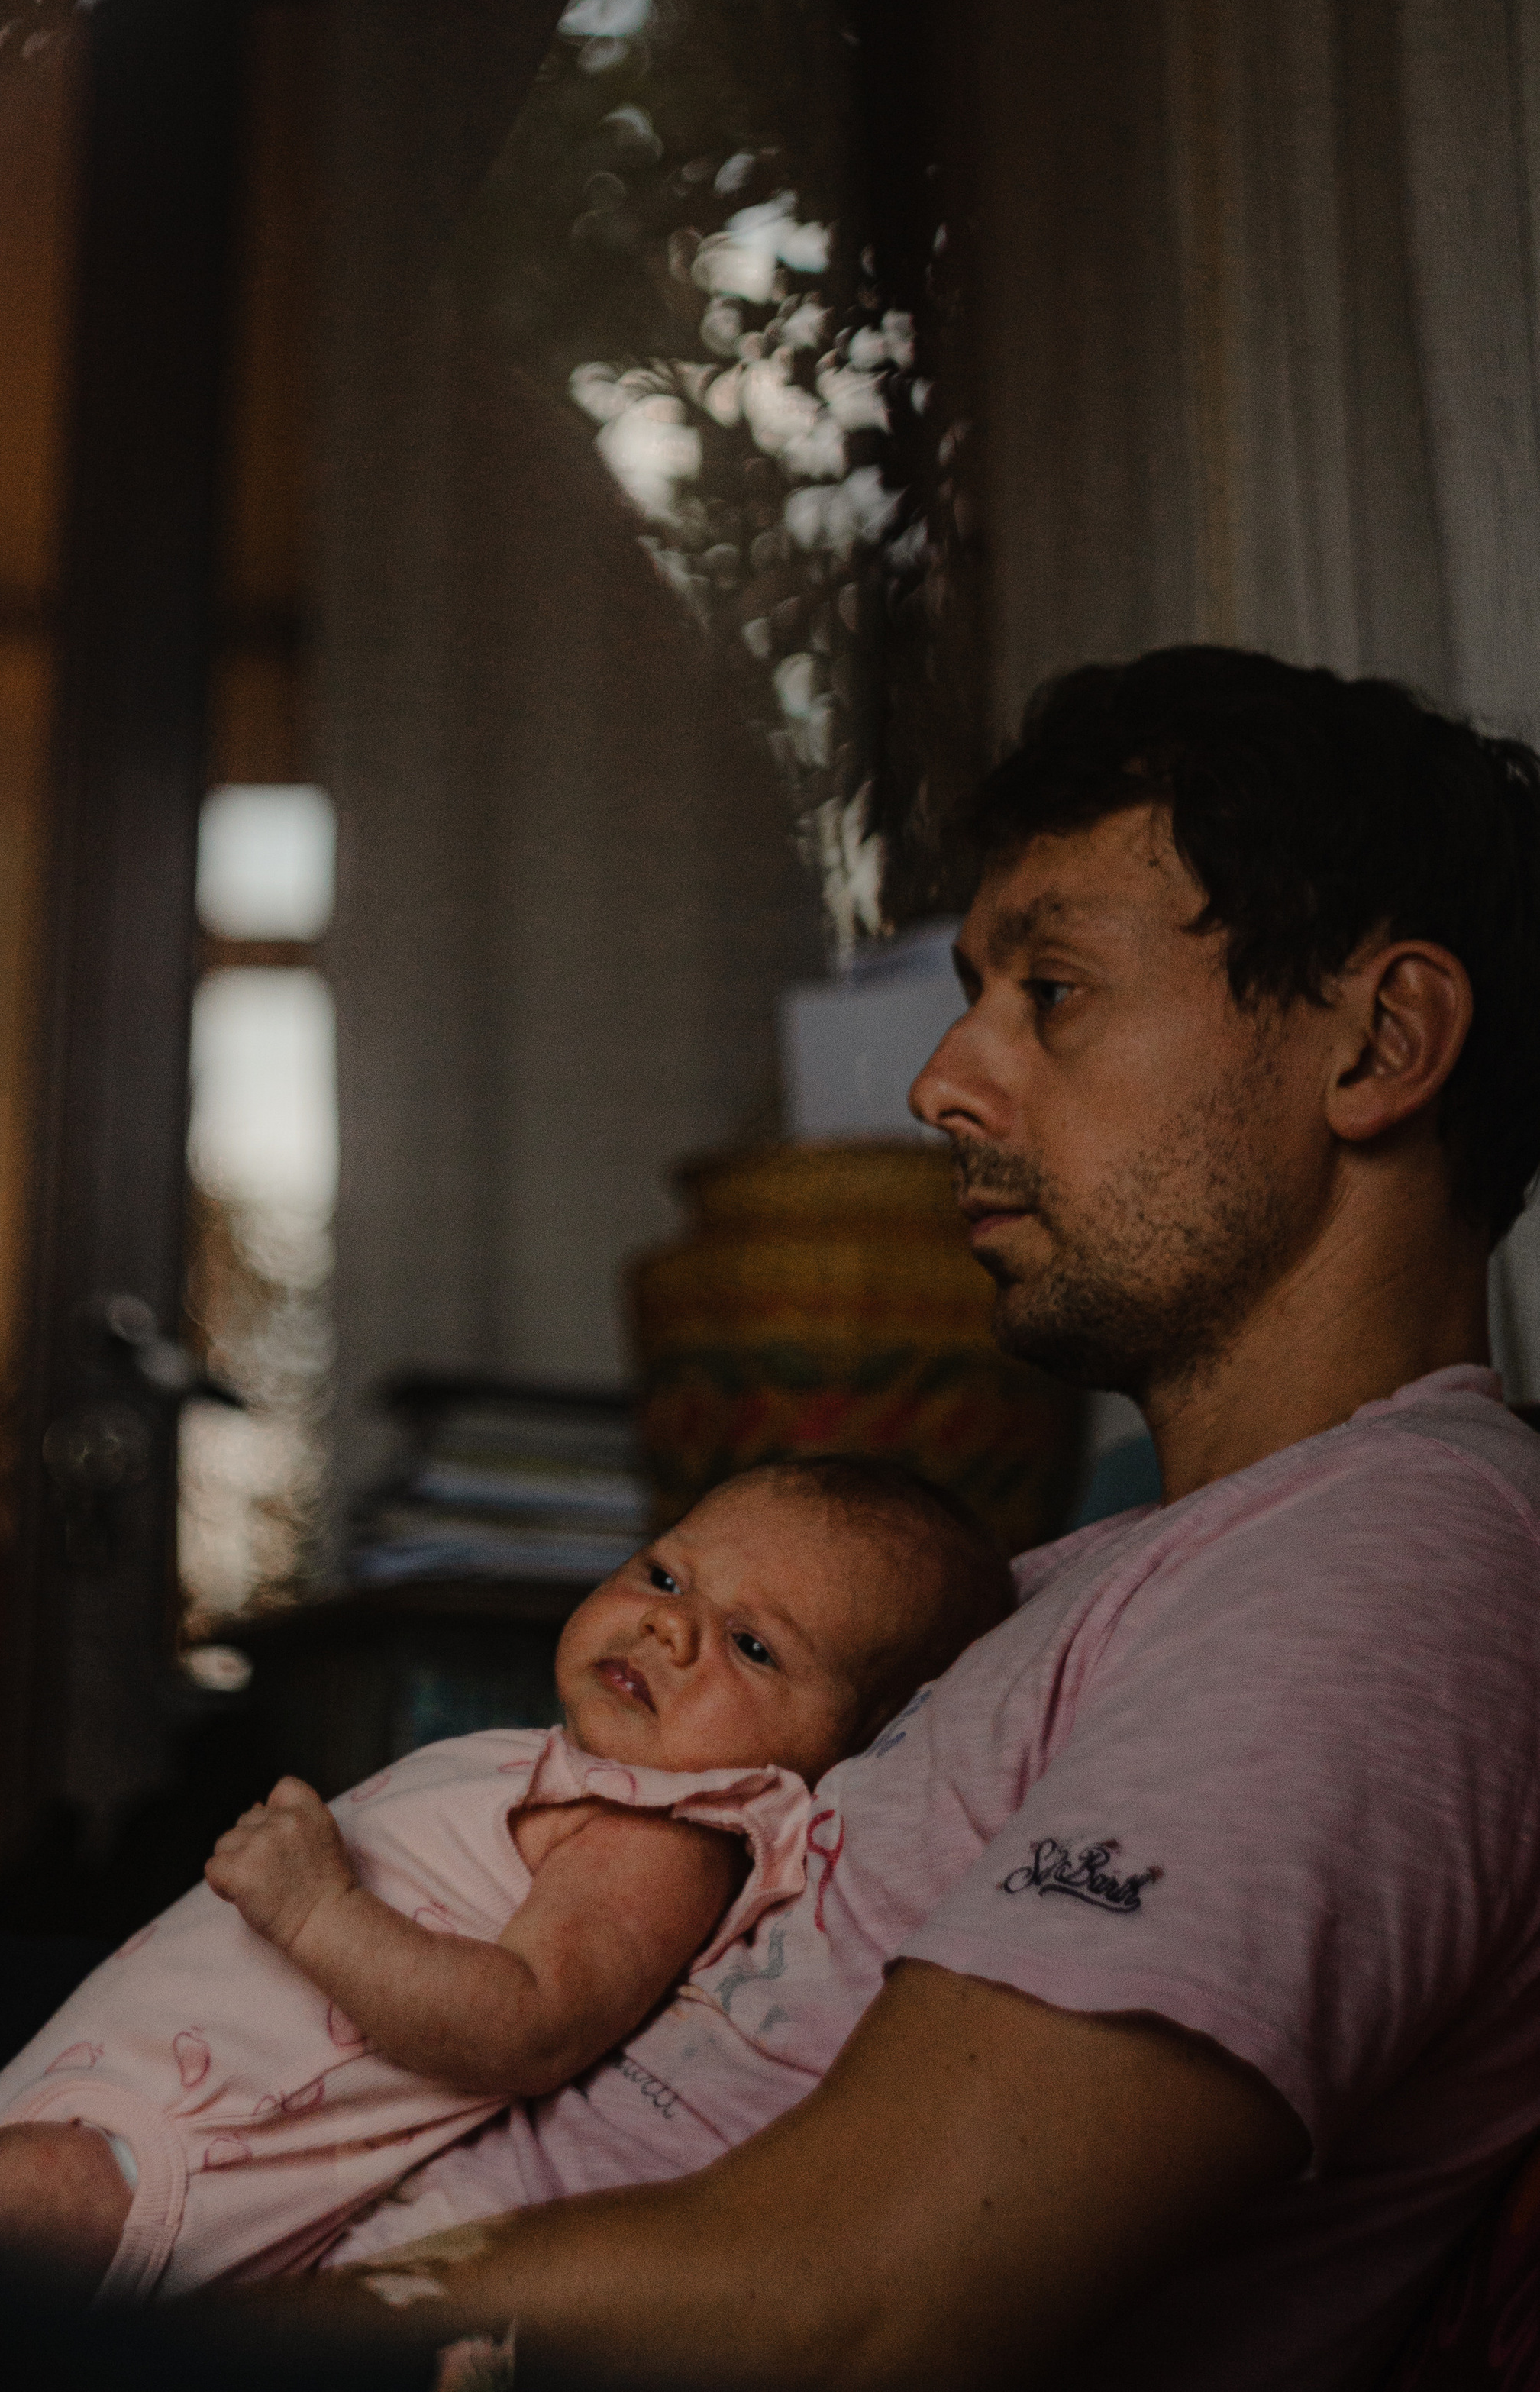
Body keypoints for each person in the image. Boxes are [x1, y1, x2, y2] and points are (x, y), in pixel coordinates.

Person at [277, 647, 1540, 2392]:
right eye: (971, 994)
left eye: (1052, 992)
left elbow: (856, 2301)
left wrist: (184, 2346)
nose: (941, 1083)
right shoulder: (1116, 1565)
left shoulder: (1383, 1573)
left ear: (1378, 1043)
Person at [0, 1456, 1013, 2303]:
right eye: (663, 1576)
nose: (670, 1629)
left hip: (160, 2167)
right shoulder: (575, 1771)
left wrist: (316, 1908)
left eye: (753, 1646)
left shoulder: (665, 1833)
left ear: (843, 1746)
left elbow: (529, 2023)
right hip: (110, 2103)